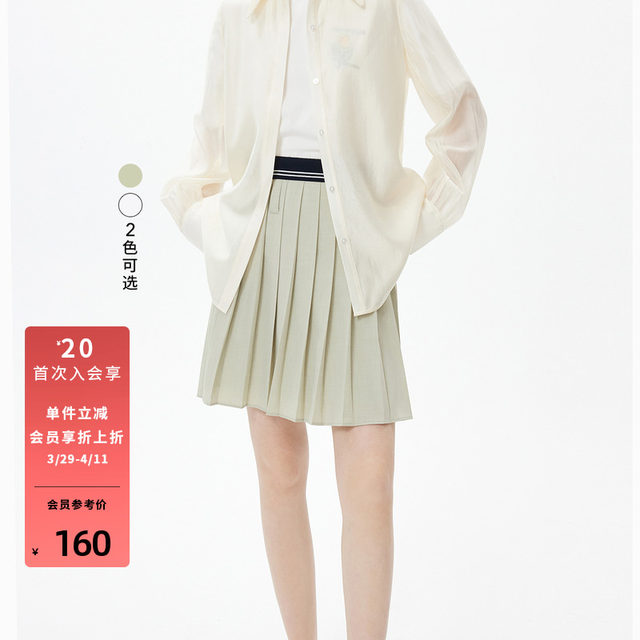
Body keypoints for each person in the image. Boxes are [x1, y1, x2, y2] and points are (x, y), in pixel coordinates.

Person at [160, 0, 487, 637]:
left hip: (353, 239)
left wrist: (407, 223)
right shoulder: (243, 12)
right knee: (280, 472)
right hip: (261, 241)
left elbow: (461, 114)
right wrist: (209, 223)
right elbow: (211, 139)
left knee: (369, 486)